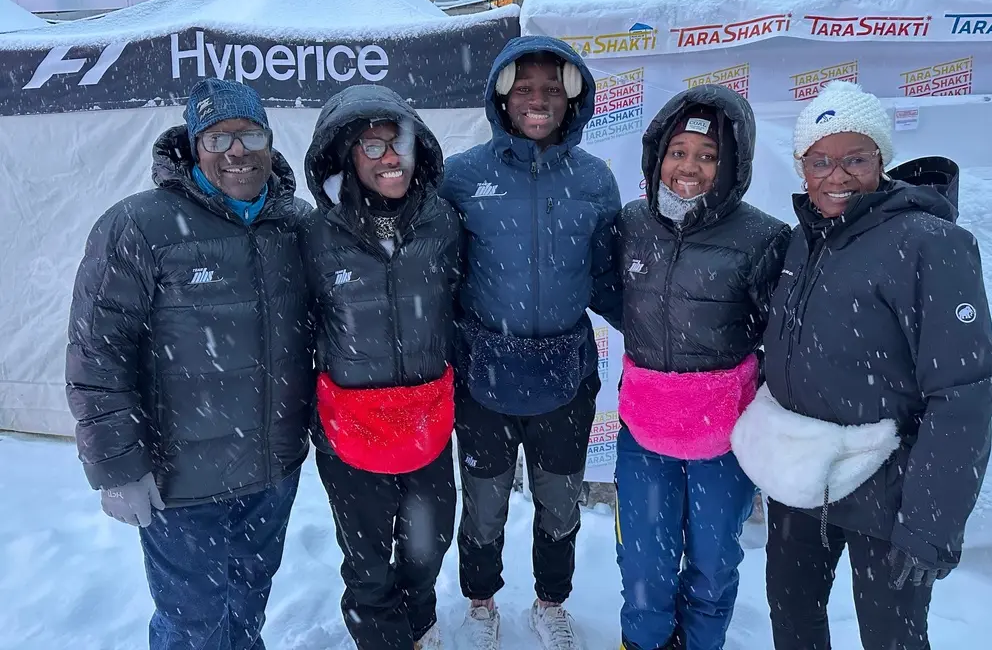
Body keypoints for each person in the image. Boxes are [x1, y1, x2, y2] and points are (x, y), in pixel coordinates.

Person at [731, 81, 992, 650]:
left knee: (891, 639)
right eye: (820, 161)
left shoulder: (931, 244)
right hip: (803, 479)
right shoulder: (802, 240)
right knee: (793, 621)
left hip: (890, 492)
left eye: (855, 158)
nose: (837, 176)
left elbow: (964, 389)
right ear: (802, 168)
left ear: (882, 159)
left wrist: (930, 521)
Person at [65, 77, 314, 650]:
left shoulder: (296, 224)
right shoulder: (138, 226)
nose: (236, 151)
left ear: (270, 140)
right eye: (217, 137)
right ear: (193, 146)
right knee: (192, 623)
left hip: (272, 468)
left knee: (248, 605)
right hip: (180, 480)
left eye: (250, 134)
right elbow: (98, 352)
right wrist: (117, 466)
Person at [440, 36, 622, 650]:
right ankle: (480, 604)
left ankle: (551, 603)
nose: (537, 100)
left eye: (550, 89)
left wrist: (667, 335)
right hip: (484, 372)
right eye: (524, 89)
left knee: (560, 501)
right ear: (502, 98)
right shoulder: (462, 176)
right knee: (484, 502)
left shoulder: (594, 179)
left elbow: (609, 279)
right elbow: (437, 273)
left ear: (572, 99)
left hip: (565, 374)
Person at [614, 85, 790, 650]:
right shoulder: (632, 222)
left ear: (732, 164)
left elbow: (777, 334)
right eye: (678, 152)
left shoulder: (764, 237)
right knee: (644, 561)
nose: (689, 167)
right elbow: (614, 298)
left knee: (713, 563)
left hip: (724, 433)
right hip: (645, 428)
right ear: (657, 156)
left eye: (708, 155)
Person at [300, 85, 461, 650]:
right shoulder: (313, 235)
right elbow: (298, 326)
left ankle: (419, 621)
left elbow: (459, 304)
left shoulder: (442, 222)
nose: (390, 157)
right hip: (350, 426)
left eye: (400, 143)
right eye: (372, 146)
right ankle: (382, 637)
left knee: (430, 542)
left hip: (425, 419)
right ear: (346, 156)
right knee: (366, 559)